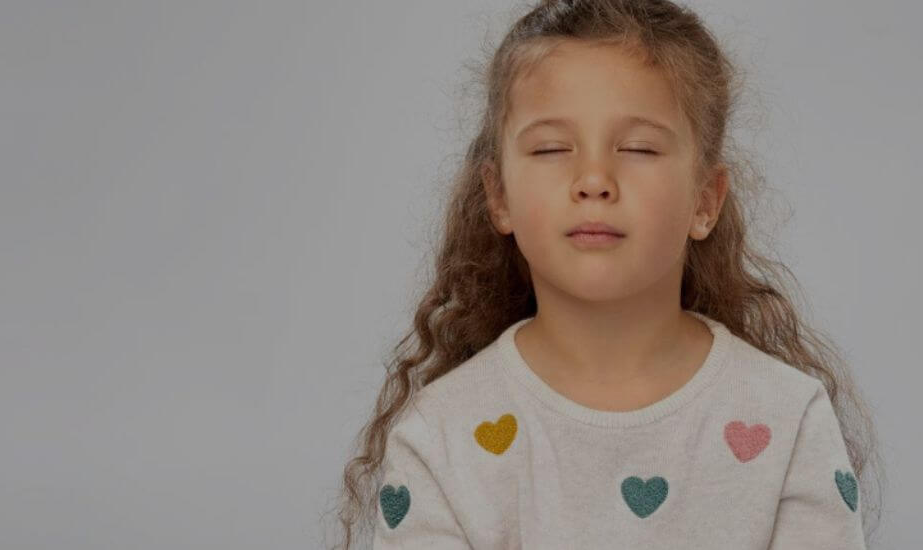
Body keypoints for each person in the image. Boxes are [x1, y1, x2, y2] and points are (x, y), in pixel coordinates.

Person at [333, 0, 880, 547]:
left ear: (705, 202)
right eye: (551, 148)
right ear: (498, 196)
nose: (593, 179)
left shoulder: (787, 418)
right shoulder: (441, 435)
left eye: (638, 147)